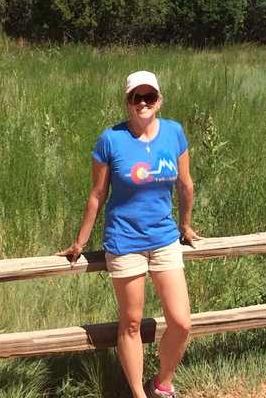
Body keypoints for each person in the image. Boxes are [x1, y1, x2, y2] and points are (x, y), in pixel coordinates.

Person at [58, 70, 199, 398]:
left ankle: (162, 384)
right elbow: (97, 194)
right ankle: (138, 393)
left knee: (181, 322)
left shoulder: (175, 133)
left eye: (150, 96)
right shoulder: (111, 139)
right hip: (125, 242)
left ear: (159, 100)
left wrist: (186, 225)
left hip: (164, 238)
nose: (144, 103)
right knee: (132, 322)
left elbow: (186, 185)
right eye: (137, 97)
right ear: (128, 102)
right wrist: (80, 241)